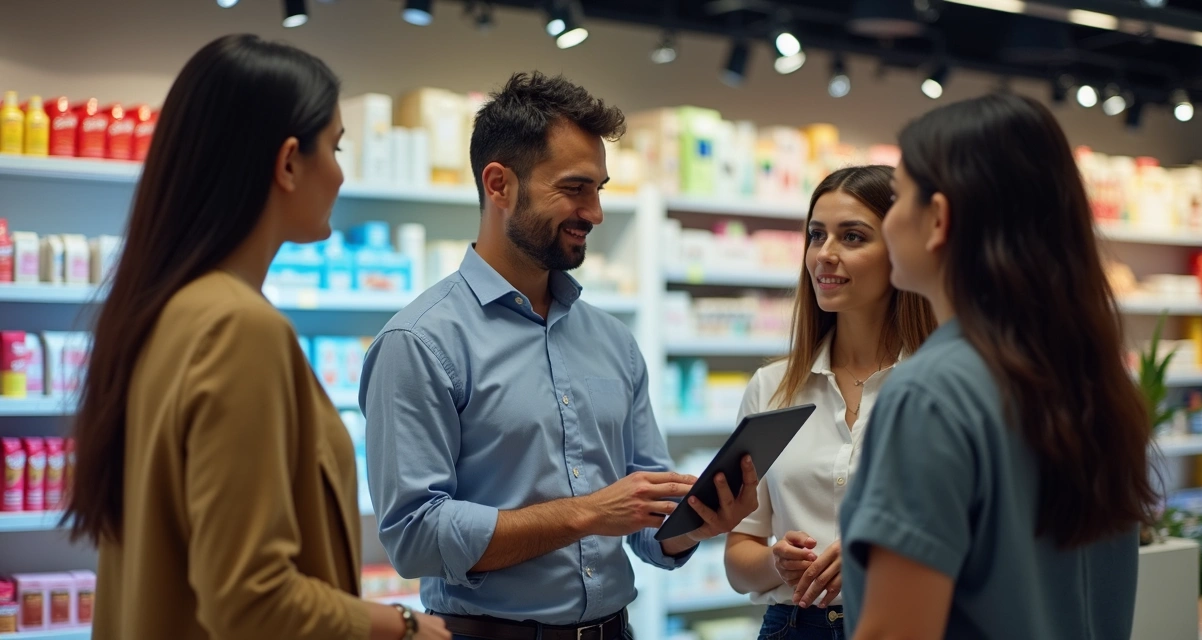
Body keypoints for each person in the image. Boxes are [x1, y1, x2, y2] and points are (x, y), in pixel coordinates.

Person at [62, 34, 448, 640]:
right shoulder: (238, 327)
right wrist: (403, 625)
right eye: (336, 147)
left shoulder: (162, 311)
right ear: (289, 161)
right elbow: (251, 600)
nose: (342, 174)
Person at [360, 71, 759, 640]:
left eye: (599, 188)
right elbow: (414, 537)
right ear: (499, 185)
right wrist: (590, 513)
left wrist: (698, 521)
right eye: (575, 188)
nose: (595, 212)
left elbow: (648, 526)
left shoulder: (612, 341)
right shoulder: (420, 343)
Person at [839, 93, 1158, 640]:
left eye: (897, 199)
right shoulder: (1092, 383)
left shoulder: (932, 394)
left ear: (938, 219)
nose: (889, 222)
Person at [721, 165, 935, 640]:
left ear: (900, 250)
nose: (825, 255)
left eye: (853, 237)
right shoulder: (772, 387)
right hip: (793, 627)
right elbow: (739, 559)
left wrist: (883, 552)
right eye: (816, 236)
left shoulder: (939, 388)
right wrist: (778, 564)